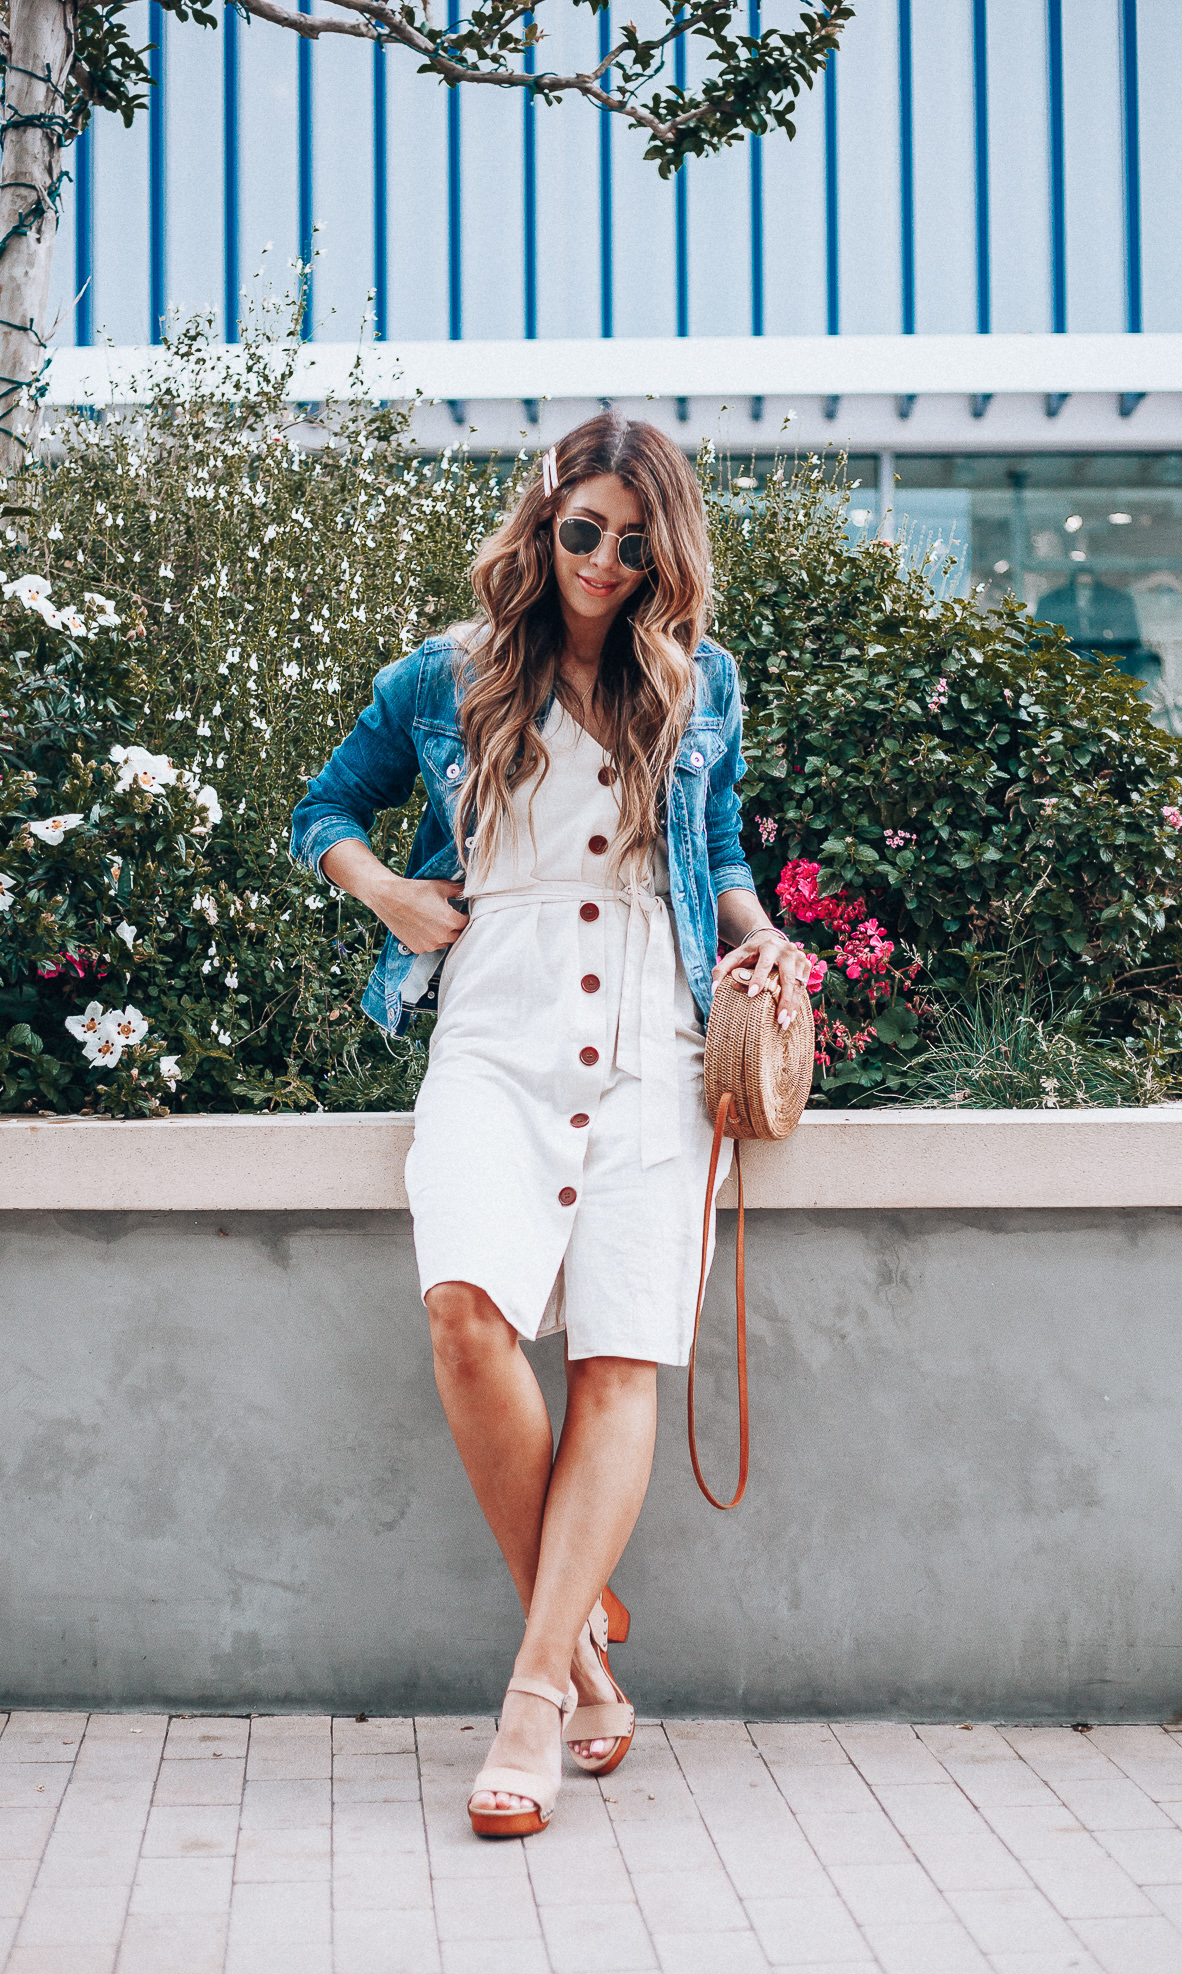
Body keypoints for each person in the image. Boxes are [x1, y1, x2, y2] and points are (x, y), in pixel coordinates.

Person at [291, 415, 811, 1837]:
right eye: (581, 531)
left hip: (655, 1031)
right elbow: (322, 807)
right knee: (466, 1313)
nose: (602, 562)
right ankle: (577, 1626)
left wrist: (763, 943)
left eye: (633, 544)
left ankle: (535, 1694)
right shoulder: (441, 677)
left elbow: (716, 850)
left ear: (666, 554)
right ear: (540, 526)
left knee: (619, 1358)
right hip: (496, 1028)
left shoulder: (695, 681)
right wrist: (388, 894)